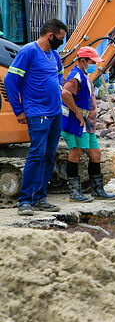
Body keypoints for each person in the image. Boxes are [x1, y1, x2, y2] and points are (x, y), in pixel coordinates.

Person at [3, 19, 68, 216]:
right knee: (37, 154)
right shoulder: (28, 51)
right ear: (51, 35)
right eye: (60, 38)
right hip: (37, 113)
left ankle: (40, 197)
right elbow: (10, 80)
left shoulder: (54, 55)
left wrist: (57, 87)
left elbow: (59, 74)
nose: (61, 42)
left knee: (49, 155)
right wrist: (19, 110)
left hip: (55, 113)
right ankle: (25, 200)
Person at [60, 46, 115, 202]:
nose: (94, 65)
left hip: (87, 125)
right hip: (76, 123)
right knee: (75, 153)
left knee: (95, 154)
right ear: (83, 61)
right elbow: (65, 94)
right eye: (92, 62)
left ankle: (97, 190)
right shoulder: (76, 76)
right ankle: (74, 193)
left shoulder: (85, 75)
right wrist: (77, 113)